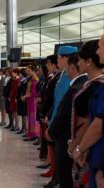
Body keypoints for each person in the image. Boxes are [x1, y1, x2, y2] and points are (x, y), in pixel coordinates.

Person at [47, 52, 88, 188]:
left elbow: (64, 113)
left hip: (67, 136)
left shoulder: (76, 87)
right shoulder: (79, 84)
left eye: (59, 59)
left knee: (67, 174)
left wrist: (52, 131)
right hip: (70, 135)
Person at [67, 40, 104, 188]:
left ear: (89, 62)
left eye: (101, 47)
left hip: (96, 147)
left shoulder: (98, 86)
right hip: (90, 145)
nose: (97, 52)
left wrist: (78, 147)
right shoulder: (91, 84)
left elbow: (95, 123)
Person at [43, 46, 77, 187]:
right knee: (60, 163)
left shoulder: (69, 77)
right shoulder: (63, 75)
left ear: (66, 58)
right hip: (57, 121)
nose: (57, 61)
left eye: (58, 58)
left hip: (64, 127)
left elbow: (63, 106)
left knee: (64, 166)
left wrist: (53, 127)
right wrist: (49, 116)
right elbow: (57, 101)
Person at [22, 65, 39, 141]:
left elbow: (34, 92)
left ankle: (34, 134)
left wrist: (25, 96)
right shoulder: (30, 79)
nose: (27, 72)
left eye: (29, 71)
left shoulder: (34, 79)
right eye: (27, 70)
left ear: (33, 71)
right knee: (30, 116)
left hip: (32, 100)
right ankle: (30, 133)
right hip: (29, 100)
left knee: (32, 117)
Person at [17, 69, 28, 134]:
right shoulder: (21, 81)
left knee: (23, 114)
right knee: (22, 114)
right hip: (20, 99)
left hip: (23, 99)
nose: (19, 75)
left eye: (20, 74)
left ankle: (24, 128)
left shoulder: (25, 81)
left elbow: (23, 90)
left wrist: (22, 96)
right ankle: (23, 127)